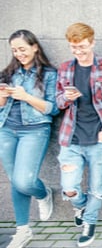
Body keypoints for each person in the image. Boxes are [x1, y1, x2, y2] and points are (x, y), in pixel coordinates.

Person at [56, 22, 102, 247]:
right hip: (70, 138)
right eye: (73, 47)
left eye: (82, 46)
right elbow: (58, 102)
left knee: (97, 187)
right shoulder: (65, 68)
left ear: (92, 42)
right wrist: (67, 98)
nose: (78, 51)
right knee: (69, 188)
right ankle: (80, 206)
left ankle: (89, 223)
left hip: (98, 138)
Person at [0, 30, 59, 248]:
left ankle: (44, 193)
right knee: (15, 181)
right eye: (14, 50)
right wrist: (2, 96)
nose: (19, 54)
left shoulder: (50, 74)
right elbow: (0, 106)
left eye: (22, 49)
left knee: (23, 180)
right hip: (6, 129)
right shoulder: (7, 73)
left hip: (34, 130)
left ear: (35, 47)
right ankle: (23, 230)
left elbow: (52, 109)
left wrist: (26, 96)